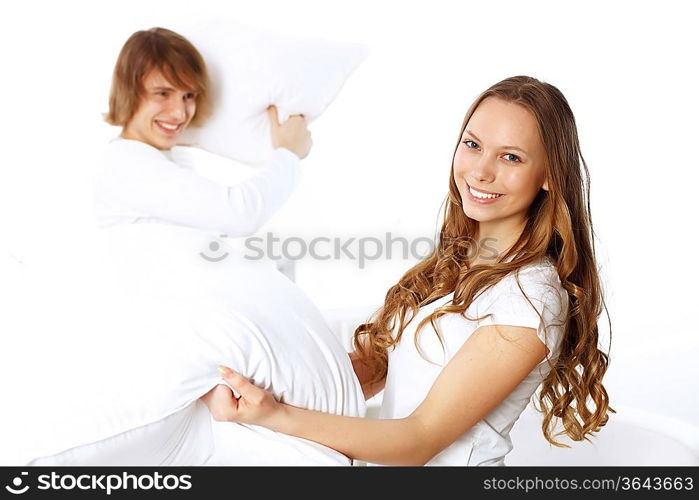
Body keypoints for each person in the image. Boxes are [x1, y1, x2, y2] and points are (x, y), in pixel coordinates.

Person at [201, 75, 614, 466]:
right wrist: (251, 371)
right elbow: (372, 369)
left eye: (510, 157)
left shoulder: (530, 299)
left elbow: (418, 440)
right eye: (473, 145)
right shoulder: (456, 261)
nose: (481, 171)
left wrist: (274, 416)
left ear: (548, 177)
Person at [96, 27, 312, 236]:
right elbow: (238, 217)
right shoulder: (126, 163)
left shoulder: (169, 157)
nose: (179, 113)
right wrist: (288, 154)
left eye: (188, 96)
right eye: (162, 93)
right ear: (129, 93)